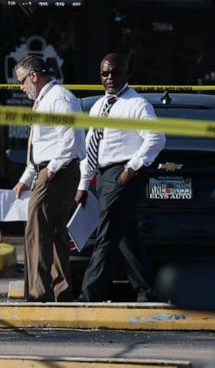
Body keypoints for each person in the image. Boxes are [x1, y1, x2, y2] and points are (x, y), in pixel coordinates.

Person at [75, 53, 165, 302]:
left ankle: (89, 293)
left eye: (115, 72)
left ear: (126, 73)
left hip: (123, 175)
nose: (110, 78)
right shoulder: (98, 106)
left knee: (106, 234)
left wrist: (132, 167)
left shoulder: (137, 104)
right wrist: (84, 184)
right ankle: (147, 291)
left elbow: (156, 138)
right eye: (105, 73)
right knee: (125, 236)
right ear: (100, 76)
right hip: (103, 176)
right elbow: (91, 146)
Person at [12, 55, 84, 302]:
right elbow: (43, 145)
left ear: (33, 75)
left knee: (37, 231)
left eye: (21, 81)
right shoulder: (46, 100)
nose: (21, 88)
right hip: (51, 169)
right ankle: (61, 290)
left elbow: (70, 138)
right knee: (54, 233)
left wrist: (50, 171)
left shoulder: (59, 98)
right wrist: (26, 177)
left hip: (58, 171)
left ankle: (38, 292)